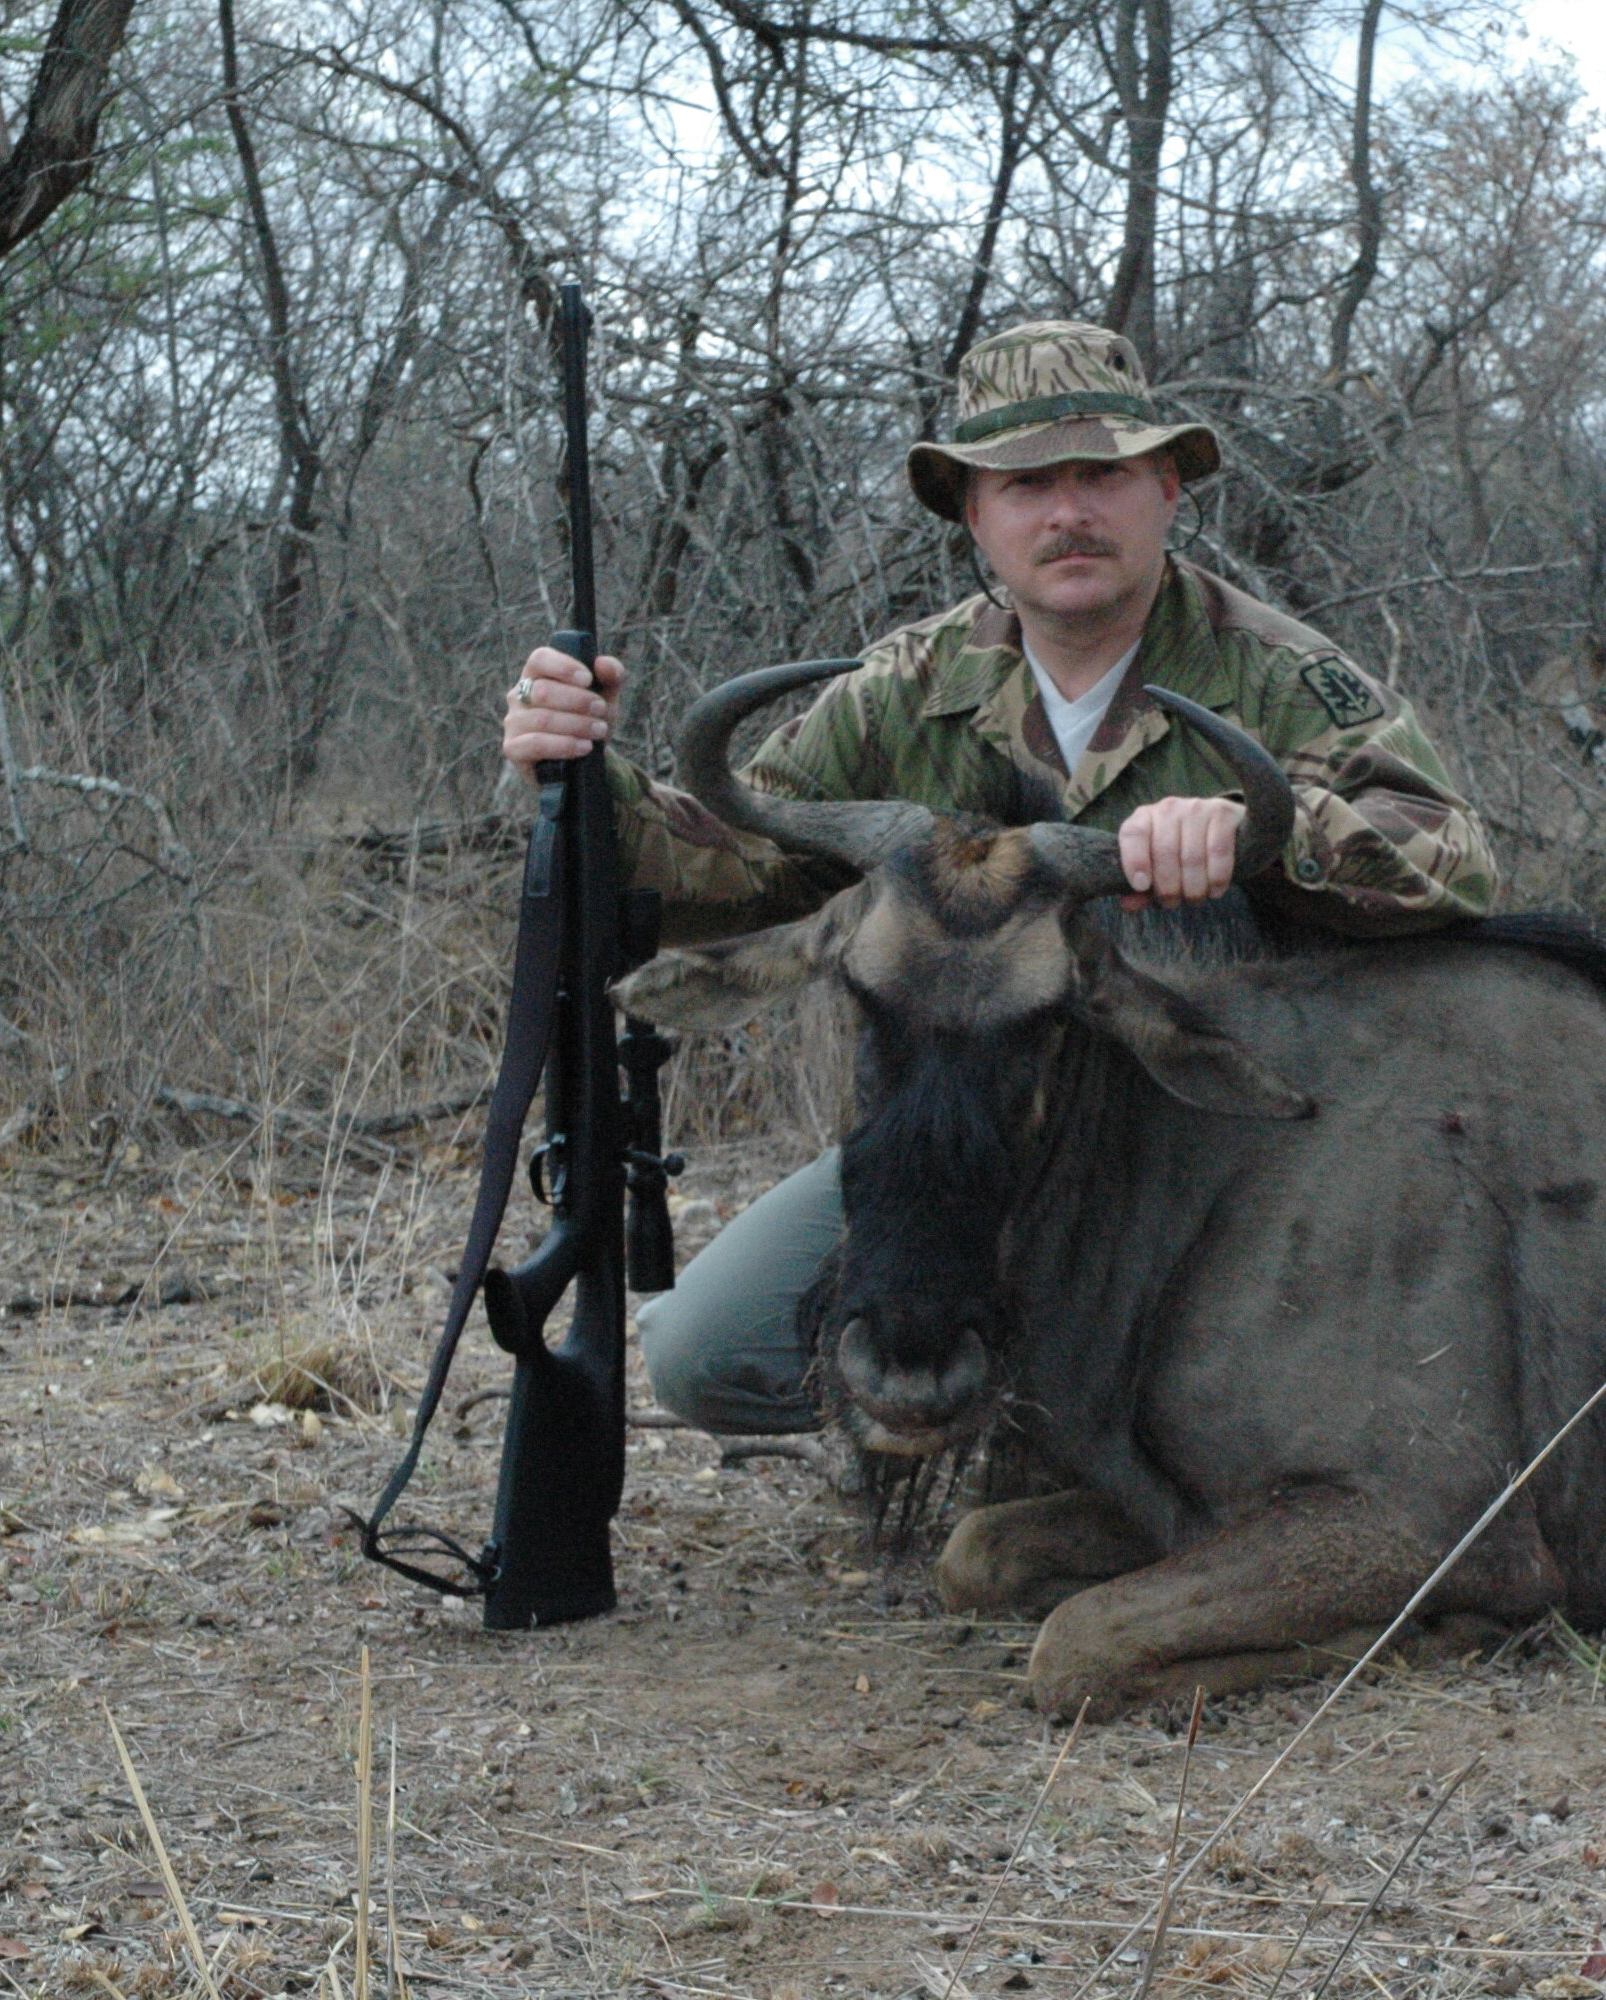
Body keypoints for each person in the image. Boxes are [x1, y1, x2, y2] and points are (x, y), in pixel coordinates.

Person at [497, 319, 1498, 1436]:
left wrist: (1267, 831)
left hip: (1218, 1136)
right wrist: (581, 777)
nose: (1065, 512)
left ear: (1167, 487)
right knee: (710, 1353)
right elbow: (735, 870)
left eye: (1100, 474)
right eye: (1024, 485)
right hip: (958, 1139)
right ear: (973, 516)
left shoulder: (1276, 673)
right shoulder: (901, 686)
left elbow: (1451, 862)